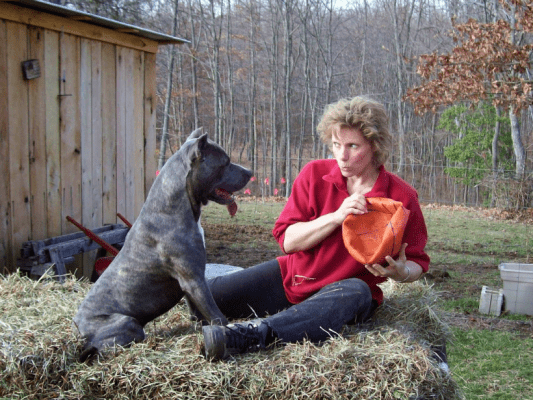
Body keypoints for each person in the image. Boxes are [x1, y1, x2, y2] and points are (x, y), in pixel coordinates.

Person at [201, 96, 431, 362]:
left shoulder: (402, 197)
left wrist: (402, 273)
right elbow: (287, 242)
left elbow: (418, 262)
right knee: (206, 300)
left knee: (357, 290)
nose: (341, 156)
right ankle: (290, 319)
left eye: (353, 146)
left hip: (343, 295)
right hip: (294, 278)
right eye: (336, 145)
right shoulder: (314, 174)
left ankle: (252, 335)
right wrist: (336, 217)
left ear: (374, 146)